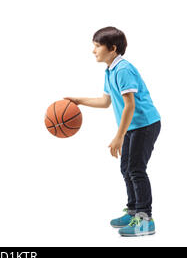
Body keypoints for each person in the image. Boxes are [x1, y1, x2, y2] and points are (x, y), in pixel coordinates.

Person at [65, 27, 161, 237]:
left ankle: (145, 220)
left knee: (136, 169)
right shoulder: (110, 70)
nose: (94, 51)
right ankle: (134, 210)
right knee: (126, 168)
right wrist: (78, 101)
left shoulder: (123, 70)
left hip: (145, 125)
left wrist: (118, 136)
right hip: (132, 126)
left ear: (112, 48)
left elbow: (130, 106)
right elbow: (106, 101)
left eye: (97, 46)